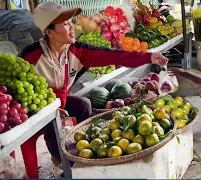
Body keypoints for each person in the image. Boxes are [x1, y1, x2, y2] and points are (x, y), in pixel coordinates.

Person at [18, 2, 168, 178]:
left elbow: (112, 55)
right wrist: (47, 110)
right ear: (49, 32)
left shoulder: (76, 51)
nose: (72, 28)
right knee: (51, 123)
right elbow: (16, 94)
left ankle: (75, 152)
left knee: (83, 105)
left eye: (71, 22)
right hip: (33, 113)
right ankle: (57, 158)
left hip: (60, 105)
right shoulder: (30, 56)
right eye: (65, 24)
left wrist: (148, 57)